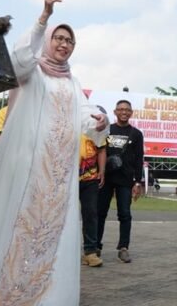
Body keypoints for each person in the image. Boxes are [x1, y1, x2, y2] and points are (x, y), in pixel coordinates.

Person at [0, 0, 108, 306]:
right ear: (48, 40)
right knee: (19, 222)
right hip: (26, 165)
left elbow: (84, 114)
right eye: (59, 38)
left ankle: (45, 297)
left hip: (57, 174)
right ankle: (4, 292)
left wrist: (99, 121)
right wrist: (44, 17)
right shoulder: (32, 71)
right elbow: (18, 59)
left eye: (69, 41)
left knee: (51, 229)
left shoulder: (72, 81)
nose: (64, 44)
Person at [97, 100, 144, 264]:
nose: (124, 112)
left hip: (125, 180)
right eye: (121, 109)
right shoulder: (107, 130)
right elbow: (100, 151)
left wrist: (137, 182)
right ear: (115, 112)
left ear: (131, 113)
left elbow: (139, 158)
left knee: (124, 214)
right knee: (100, 213)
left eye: (127, 110)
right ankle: (95, 246)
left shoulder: (136, 134)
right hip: (106, 178)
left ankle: (123, 248)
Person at [79, 108, 106, 267]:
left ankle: (90, 252)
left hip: (90, 178)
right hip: (67, 179)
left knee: (90, 213)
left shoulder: (94, 126)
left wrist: (102, 171)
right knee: (63, 215)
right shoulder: (65, 124)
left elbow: (101, 150)